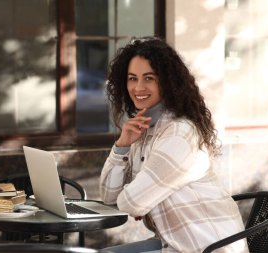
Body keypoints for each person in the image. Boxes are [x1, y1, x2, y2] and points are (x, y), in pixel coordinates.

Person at [99, 37, 249, 253]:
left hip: (207, 247)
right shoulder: (142, 130)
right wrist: (122, 145)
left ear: (167, 81)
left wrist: (143, 200)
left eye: (149, 78)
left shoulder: (180, 134)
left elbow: (130, 203)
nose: (138, 87)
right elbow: (109, 197)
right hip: (173, 244)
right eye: (132, 78)